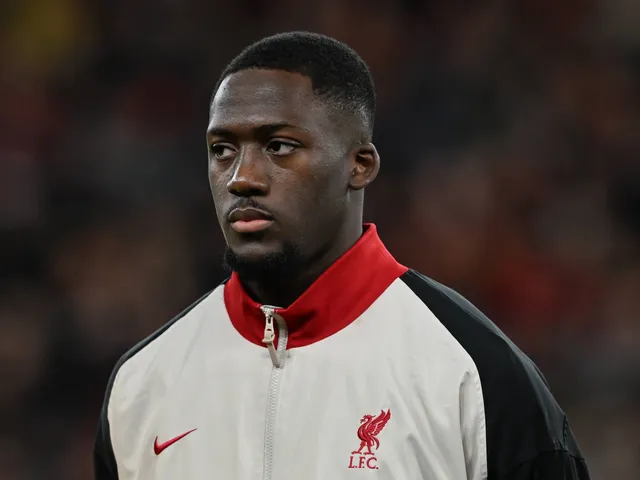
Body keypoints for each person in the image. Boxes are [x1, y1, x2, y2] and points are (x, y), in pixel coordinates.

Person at [94, 32, 591, 480]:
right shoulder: (141, 384)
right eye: (222, 149)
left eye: (279, 146)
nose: (241, 177)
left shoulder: (475, 374)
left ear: (360, 165)